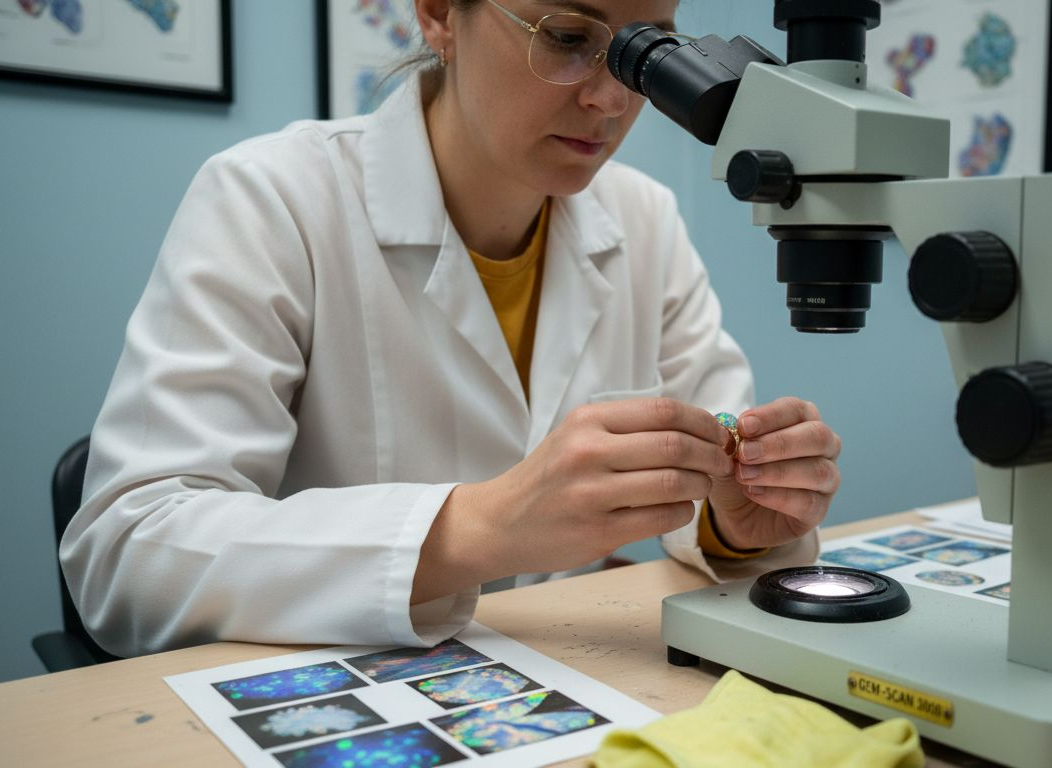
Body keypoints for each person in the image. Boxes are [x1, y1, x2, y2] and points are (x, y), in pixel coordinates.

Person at [61, 0, 842, 658]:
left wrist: (736, 523)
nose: (613, 100)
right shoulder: (272, 200)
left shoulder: (645, 220)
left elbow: (715, 474)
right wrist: (478, 527)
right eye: (569, 38)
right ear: (438, 13)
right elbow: (129, 555)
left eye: (648, 55)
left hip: (559, 684)